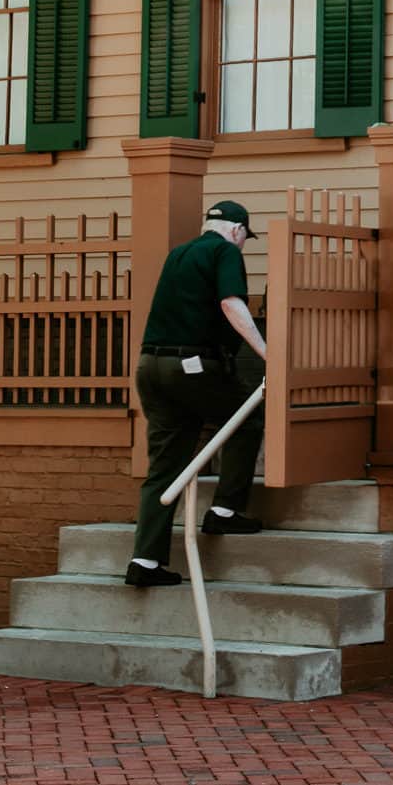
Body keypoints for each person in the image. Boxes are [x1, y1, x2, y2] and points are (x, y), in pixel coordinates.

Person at [124, 200, 269, 590]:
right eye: (245, 239)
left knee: (165, 468)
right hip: (192, 366)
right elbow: (230, 303)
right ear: (238, 231)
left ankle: (145, 561)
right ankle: (224, 510)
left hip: (150, 368)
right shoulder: (224, 251)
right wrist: (270, 353)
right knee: (247, 418)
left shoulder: (179, 253)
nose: (242, 245)